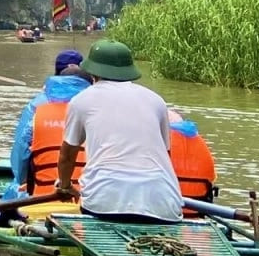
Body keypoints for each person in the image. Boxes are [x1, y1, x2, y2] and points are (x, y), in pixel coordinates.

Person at [53, 41, 183, 223]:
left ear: (92, 72)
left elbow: (67, 156)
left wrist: (65, 186)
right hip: (163, 202)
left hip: (104, 201)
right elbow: (165, 154)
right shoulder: (156, 100)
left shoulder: (81, 100)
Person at [12, 49, 90, 194]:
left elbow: (21, 150)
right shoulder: (96, 106)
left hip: (42, 192)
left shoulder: (37, 106)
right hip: (89, 195)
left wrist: (23, 182)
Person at [166, 106, 218, 202]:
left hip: (167, 205)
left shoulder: (160, 142)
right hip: (200, 205)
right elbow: (212, 178)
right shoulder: (200, 143)